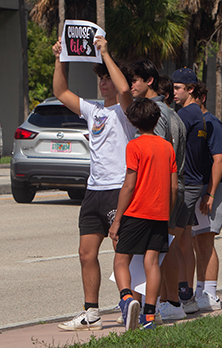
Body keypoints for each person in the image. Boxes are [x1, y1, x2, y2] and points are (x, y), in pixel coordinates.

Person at [53, 36, 135, 331]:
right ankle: (91, 312)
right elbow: (61, 91)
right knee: (86, 253)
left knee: (123, 252)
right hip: (94, 191)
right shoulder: (93, 110)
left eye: (106, 78)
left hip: (118, 189)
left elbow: (124, 88)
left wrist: (105, 54)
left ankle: (134, 305)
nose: (104, 83)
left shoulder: (126, 112)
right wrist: (60, 57)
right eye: (100, 79)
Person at [110, 98, 178, 331]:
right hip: (159, 214)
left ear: (133, 121)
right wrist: (167, 214)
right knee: (152, 262)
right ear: (156, 119)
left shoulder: (134, 146)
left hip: (136, 212)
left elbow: (129, 184)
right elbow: (174, 187)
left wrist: (117, 220)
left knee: (121, 259)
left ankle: (127, 299)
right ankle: (149, 314)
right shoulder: (167, 147)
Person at [129, 62, 189, 322]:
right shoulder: (169, 111)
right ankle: (170, 301)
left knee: (159, 249)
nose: (132, 86)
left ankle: (162, 303)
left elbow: (159, 156)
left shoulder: (158, 114)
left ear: (149, 82)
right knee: (167, 246)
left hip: (165, 190)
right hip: (172, 189)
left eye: (136, 80)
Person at [189, 82, 222, 308]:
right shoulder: (190, 121)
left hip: (213, 188)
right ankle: (200, 290)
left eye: (193, 96)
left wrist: (211, 193)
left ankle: (211, 294)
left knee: (205, 242)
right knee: (196, 243)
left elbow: (219, 160)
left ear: (202, 97)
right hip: (198, 188)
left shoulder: (213, 123)